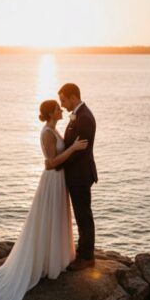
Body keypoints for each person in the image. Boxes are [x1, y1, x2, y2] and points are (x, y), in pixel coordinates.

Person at [0, 100, 88, 300]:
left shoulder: (54, 130)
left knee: (55, 219)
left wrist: (71, 148)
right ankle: (45, 260)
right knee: (47, 219)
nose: (61, 110)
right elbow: (50, 163)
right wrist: (74, 149)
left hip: (59, 181)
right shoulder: (48, 133)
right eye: (58, 109)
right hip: (52, 180)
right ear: (51, 112)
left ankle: (53, 257)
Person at [57, 83, 98, 271]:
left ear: (73, 97)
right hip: (76, 173)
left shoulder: (85, 118)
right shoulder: (78, 115)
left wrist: (58, 163)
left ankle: (87, 257)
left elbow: (80, 151)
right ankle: (83, 251)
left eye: (63, 100)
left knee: (83, 215)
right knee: (81, 214)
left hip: (80, 174)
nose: (63, 105)